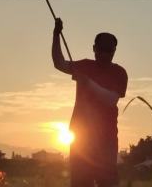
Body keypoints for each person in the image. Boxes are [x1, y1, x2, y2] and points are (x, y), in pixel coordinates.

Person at [52, 18, 128, 187]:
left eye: (109, 51)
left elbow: (111, 99)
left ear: (114, 51)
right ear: (94, 49)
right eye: (102, 50)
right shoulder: (84, 66)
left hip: (106, 140)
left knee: (107, 182)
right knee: (80, 182)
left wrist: (87, 83)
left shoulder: (119, 72)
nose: (105, 54)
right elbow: (59, 63)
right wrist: (56, 35)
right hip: (81, 138)